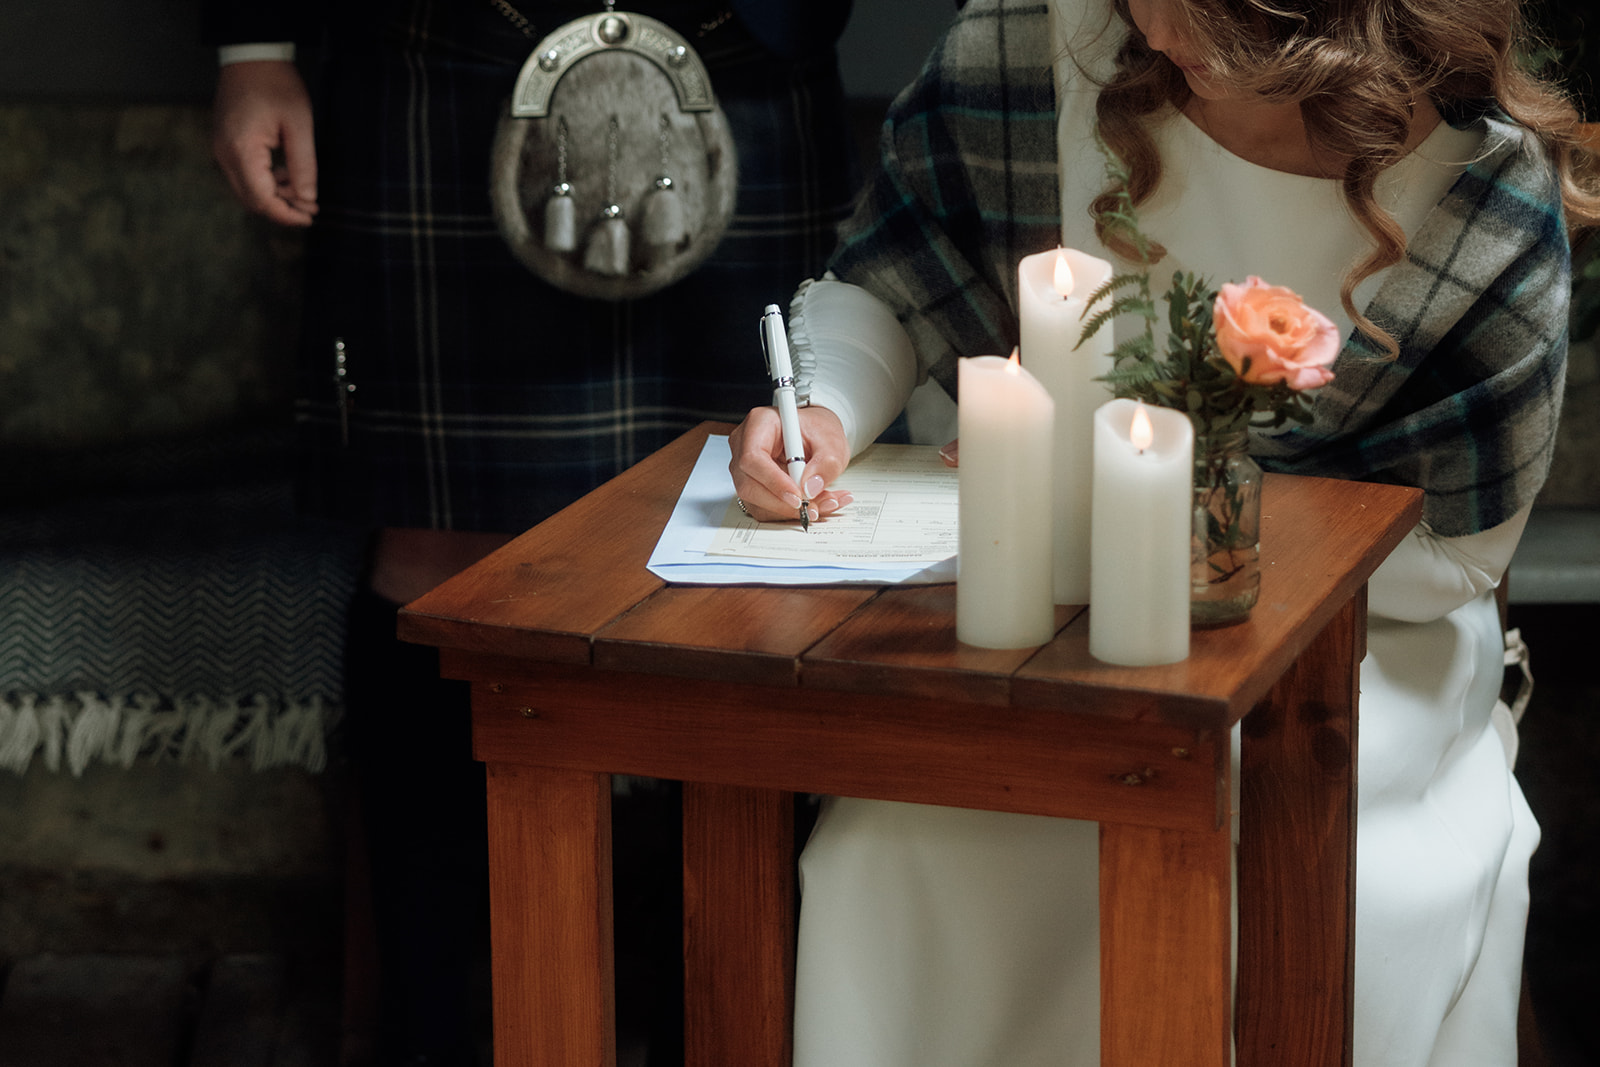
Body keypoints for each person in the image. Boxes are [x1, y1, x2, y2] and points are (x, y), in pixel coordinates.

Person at [728, 0, 1598, 1063]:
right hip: (1037, 632)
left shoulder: (1478, 185)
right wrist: (826, 408)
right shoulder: (1032, 42)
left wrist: (1152, 512)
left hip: (1357, 657)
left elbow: (1454, 555)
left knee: (1297, 869)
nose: (1137, 16)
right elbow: (887, 286)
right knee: (905, 838)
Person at [205, 2, 859, 1064]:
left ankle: (722, 1028)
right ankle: (430, 1030)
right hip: (450, 60)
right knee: (441, 557)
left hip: (739, 55)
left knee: (750, 542)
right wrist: (256, 44)